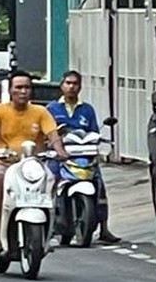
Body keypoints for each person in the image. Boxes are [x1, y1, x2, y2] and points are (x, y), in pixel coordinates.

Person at [0, 70, 66, 240]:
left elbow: (52, 134)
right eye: (18, 87)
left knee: (53, 179)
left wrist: (60, 151)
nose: (23, 91)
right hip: (3, 163)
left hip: (32, 165)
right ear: (10, 91)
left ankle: (54, 227)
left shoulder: (40, 112)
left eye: (27, 87)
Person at [46, 70, 116, 242]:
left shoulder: (87, 109)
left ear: (80, 86)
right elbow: (46, 132)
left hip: (83, 155)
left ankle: (104, 228)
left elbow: (93, 132)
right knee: (48, 183)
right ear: (61, 85)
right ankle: (47, 225)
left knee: (99, 186)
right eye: (68, 83)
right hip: (60, 156)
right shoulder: (52, 109)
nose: (71, 87)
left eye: (75, 83)